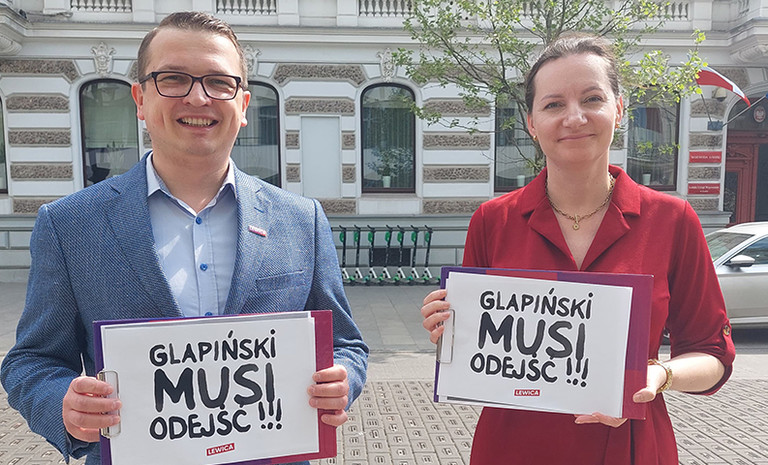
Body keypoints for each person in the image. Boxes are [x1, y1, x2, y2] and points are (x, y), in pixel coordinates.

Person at [0, 12, 367, 465]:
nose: (198, 97)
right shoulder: (70, 225)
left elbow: (347, 345)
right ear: (140, 98)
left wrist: (343, 379)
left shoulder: (301, 219)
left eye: (218, 82)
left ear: (243, 104)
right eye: (173, 78)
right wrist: (63, 405)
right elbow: (31, 361)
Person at [421, 33, 735, 464]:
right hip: (514, 447)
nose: (574, 117)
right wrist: (448, 332)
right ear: (531, 123)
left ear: (618, 109)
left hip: (628, 447)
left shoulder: (672, 219)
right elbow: (477, 356)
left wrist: (658, 375)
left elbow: (713, 356)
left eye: (592, 99)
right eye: (553, 105)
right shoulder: (492, 221)